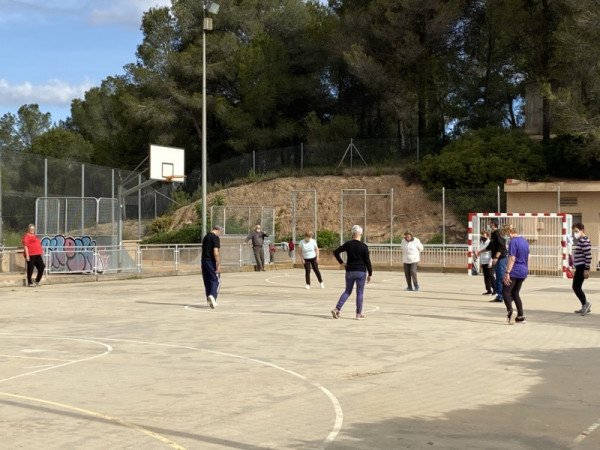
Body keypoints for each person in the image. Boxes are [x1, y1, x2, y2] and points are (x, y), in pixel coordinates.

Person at [331, 225, 372, 320]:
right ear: (361, 234)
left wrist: (341, 262)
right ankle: (358, 314)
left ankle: (337, 309)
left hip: (350, 270)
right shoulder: (364, 246)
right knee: (360, 292)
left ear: (352, 234)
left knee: (347, 291)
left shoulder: (348, 244)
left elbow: (336, 252)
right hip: (361, 271)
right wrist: (370, 273)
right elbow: (367, 261)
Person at [501, 224, 530, 324]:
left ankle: (510, 312)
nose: (506, 236)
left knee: (505, 292)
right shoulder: (524, 241)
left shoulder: (513, 242)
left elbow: (512, 258)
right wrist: (526, 269)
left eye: (505, 234)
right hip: (523, 269)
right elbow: (528, 257)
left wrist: (507, 272)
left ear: (508, 232)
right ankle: (521, 316)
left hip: (515, 270)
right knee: (515, 293)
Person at [571, 223, 592, 316]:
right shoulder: (582, 240)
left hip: (582, 267)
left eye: (576, 231)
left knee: (576, 286)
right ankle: (584, 305)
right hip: (580, 266)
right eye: (574, 232)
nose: (575, 234)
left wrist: (586, 269)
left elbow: (588, 256)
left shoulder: (584, 241)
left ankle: (585, 304)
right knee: (577, 286)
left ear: (582, 230)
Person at [201, 225, 222, 309]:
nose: (220, 233)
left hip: (204, 261)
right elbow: (215, 252)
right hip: (211, 261)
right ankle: (212, 297)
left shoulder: (205, 237)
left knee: (207, 281)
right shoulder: (215, 238)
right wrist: (218, 264)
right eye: (220, 232)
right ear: (217, 230)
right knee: (216, 281)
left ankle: (208, 301)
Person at [488, 218, 507, 303]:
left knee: (500, 278)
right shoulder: (493, 234)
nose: (489, 224)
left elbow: (501, 246)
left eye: (490, 223)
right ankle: (500, 295)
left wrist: (496, 257)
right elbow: (490, 246)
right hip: (498, 259)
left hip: (501, 259)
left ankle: (501, 296)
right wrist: (480, 251)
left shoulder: (498, 233)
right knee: (498, 278)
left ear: (493, 224)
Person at [475, 230, 495, 296]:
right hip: (483, 261)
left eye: (484, 235)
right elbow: (480, 253)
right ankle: (488, 290)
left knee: (490, 275)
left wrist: (490, 262)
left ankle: (495, 289)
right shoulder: (481, 243)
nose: (483, 236)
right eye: (482, 235)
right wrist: (480, 263)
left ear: (487, 236)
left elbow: (491, 253)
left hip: (489, 261)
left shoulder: (489, 243)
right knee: (486, 276)